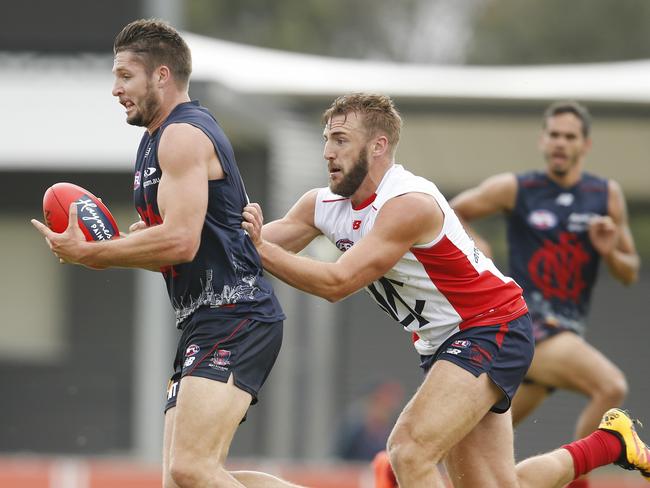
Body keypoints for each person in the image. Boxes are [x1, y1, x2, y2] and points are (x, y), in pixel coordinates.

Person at [241, 93, 650, 487]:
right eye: (327, 139)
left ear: (379, 145)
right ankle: (610, 442)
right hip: (448, 343)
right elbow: (246, 247)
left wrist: (260, 249)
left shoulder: (406, 204)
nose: (328, 151)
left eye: (341, 140)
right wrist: (198, 235)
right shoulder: (322, 204)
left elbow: (337, 282)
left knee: (408, 450)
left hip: (491, 327)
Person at [31, 19, 303, 488]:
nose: (115, 89)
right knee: (182, 480)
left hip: (235, 313)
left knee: (190, 470)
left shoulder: (182, 135)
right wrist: (122, 246)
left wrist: (97, 254)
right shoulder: (153, 141)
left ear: (161, 75)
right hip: (207, 318)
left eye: (124, 75)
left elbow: (181, 241)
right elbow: (174, 251)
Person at [450, 101, 640, 488]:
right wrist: (478, 246)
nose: (560, 143)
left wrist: (609, 251)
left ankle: (400, 472)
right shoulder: (517, 187)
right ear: (542, 139)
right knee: (610, 386)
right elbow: (450, 213)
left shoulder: (605, 195)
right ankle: (577, 479)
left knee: (479, 454)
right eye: (553, 134)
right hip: (529, 324)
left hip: (558, 340)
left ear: (584, 145)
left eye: (569, 136)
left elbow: (629, 272)